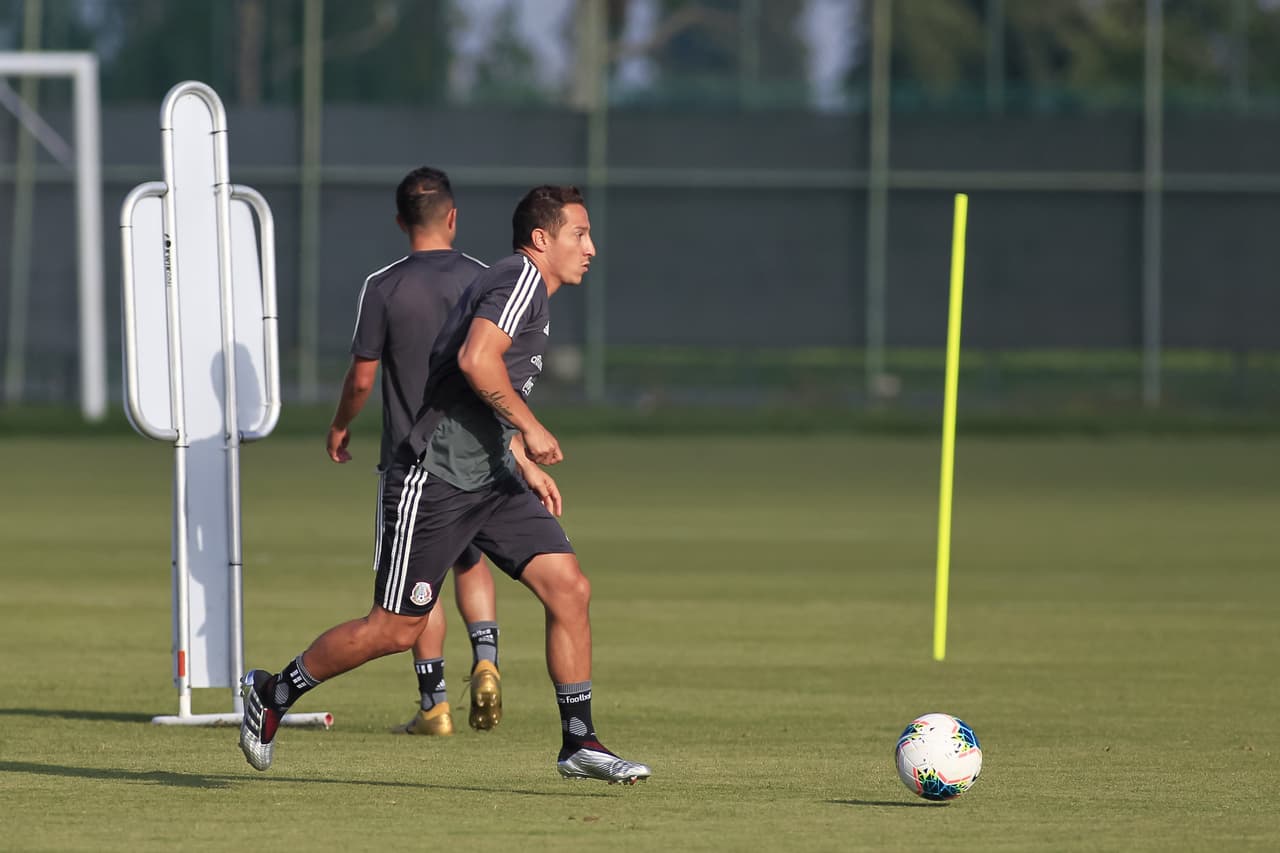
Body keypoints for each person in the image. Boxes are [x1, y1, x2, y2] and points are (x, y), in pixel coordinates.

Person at [239, 185, 650, 785]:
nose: (591, 247)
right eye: (579, 235)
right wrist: (533, 429)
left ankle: (579, 742)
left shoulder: (517, 284)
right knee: (394, 629)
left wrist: (520, 457)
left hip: (489, 474)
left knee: (569, 587)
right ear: (542, 240)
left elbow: (476, 394)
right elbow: (477, 363)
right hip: (432, 479)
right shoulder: (520, 283)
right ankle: (274, 692)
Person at [323, 166, 515, 737]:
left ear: (401, 222)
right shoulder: (486, 280)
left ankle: (434, 703)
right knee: (472, 560)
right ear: (453, 217)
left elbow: (361, 379)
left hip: (415, 460)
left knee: (415, 577)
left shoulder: (384, 286)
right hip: (482, 457)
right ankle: (487, 660)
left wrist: (340, 425)